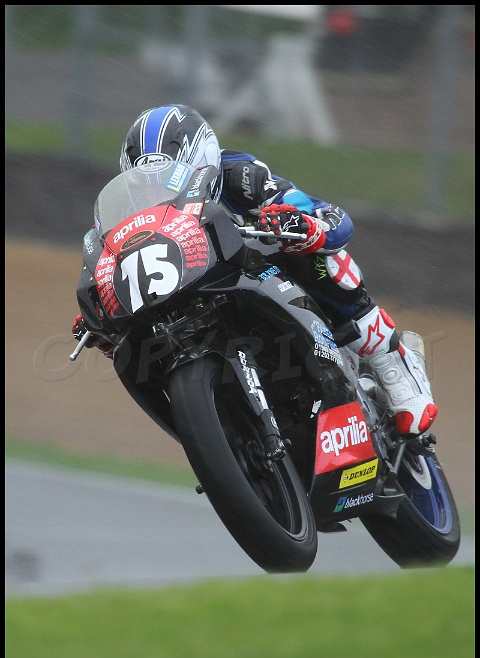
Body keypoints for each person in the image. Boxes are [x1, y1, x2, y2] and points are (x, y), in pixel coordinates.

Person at [73, 104, 437, 437]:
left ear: (202, 159)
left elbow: (333, 220)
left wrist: (307, 226)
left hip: (264, 277)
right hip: (191, 295)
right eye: (147, 176)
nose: (158, 186)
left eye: (167, 173)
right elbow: (112, 259)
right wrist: (103, 307)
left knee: (317, 251)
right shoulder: (131, 210)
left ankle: (389, 356)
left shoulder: (241, 176)